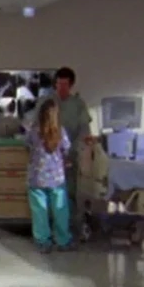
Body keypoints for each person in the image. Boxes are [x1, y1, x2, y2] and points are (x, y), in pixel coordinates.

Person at [26, 98, 74, 253]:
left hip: (37, 178)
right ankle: (63, 240)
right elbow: (66, 150)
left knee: (39, 211)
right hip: (57, 179)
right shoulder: (61, 132)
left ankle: (43, 242)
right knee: (60, 211)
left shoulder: (34, 132)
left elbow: (27, 145)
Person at [51, 66, 93, 210]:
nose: (61, 88)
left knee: (69, 191)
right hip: (49, 156)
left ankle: (69, 219)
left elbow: (84, 131)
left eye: (65, 85)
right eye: (59, 84)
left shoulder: (78, 104)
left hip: (71, 156)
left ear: (71, 85)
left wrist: (71, 151)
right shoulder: (47, 102)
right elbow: (36, 127)